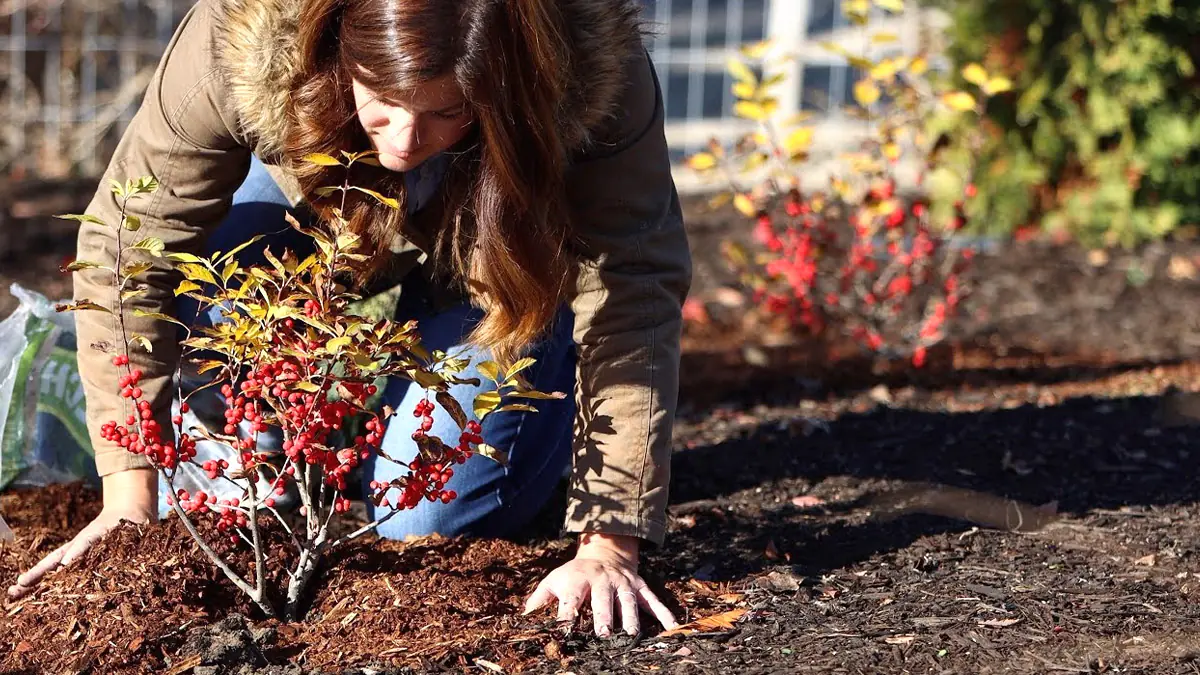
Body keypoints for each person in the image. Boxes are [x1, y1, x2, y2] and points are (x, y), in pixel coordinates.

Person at [6, 0, 692, 638]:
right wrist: (128, 496)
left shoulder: (587, 66)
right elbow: (129, 240)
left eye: (446, 110)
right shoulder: (245, 35)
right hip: (315, 203)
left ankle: (524, 392)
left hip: (500, 254)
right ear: (339, 49)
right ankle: (271, 444)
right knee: (226, 272)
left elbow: (636, 279)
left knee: (424, 517)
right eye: (384, 104)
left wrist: (610, 537)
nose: (404, 142)